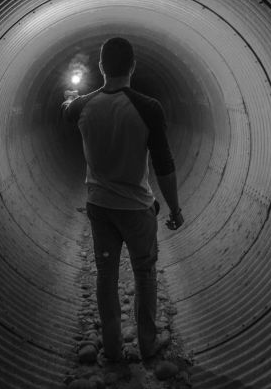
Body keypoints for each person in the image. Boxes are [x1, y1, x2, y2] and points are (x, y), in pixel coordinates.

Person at [61, 37, 184, 362]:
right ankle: (146, 345)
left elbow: (66, 111)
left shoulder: (83, 106)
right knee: (144, 273)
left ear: (102, 67)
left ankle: (113, 350)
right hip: (136, 208)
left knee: (106, 274)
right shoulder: (148, 107)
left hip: (100, 208)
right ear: (133, 66)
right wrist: (174, 207)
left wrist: (69, 99)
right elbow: (164, 163)